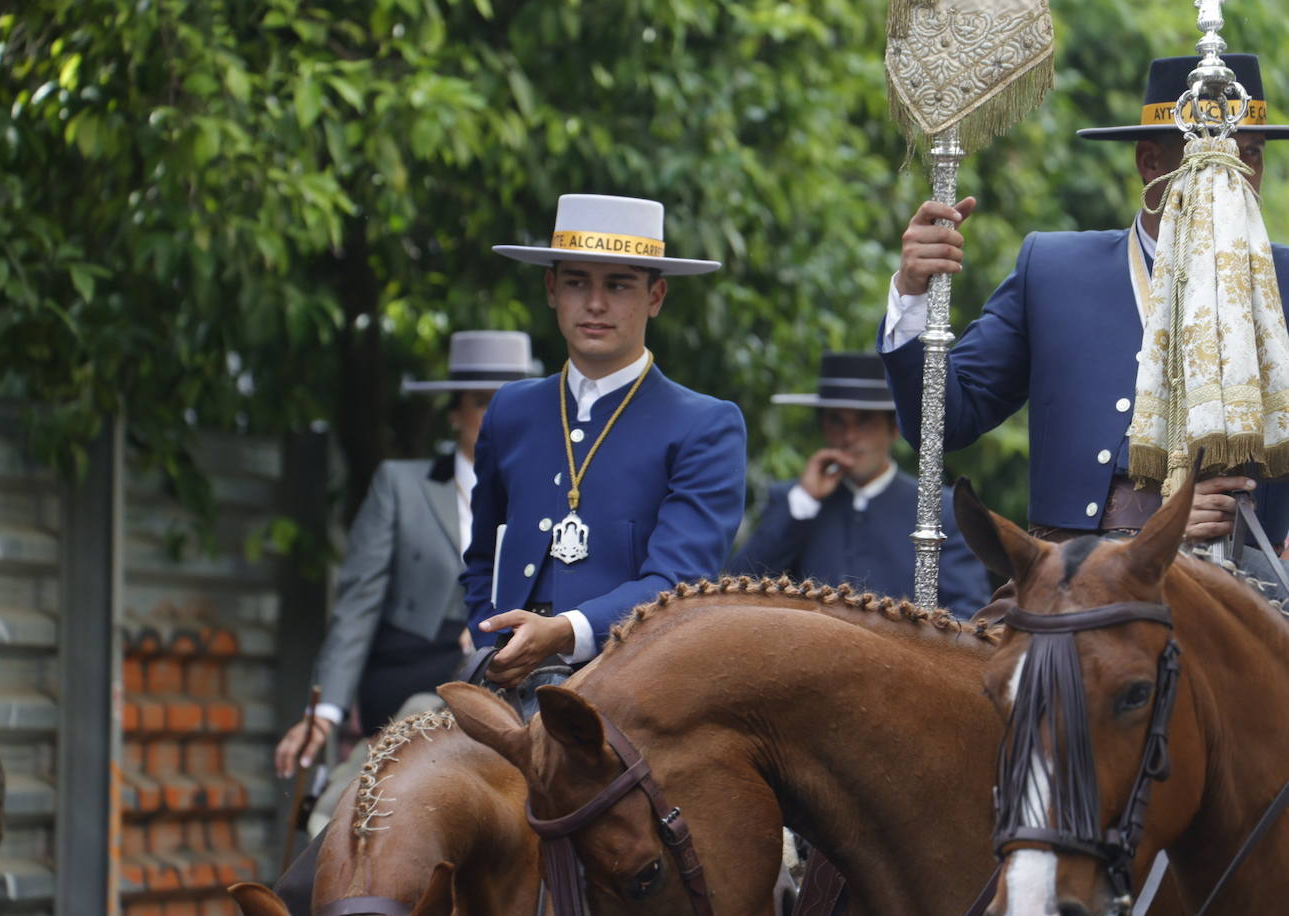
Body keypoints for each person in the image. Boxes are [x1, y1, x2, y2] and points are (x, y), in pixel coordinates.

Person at [878, 53, 1289, 548]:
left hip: (1247, 589)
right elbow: (943, 424)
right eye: (1207, 158)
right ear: (1149, 163)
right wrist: (913, 294)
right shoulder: (1053, 269)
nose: (1233, 177)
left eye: (1250, 154)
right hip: (1076, 581)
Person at [465, 193, 747, 687]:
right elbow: (481, 560)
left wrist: (563, 631)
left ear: (655, 297)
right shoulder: (511, 409)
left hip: (634, 691)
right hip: (502, 685)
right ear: (552, 288)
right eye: (577, 282)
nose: (595, 304)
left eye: (618, 285)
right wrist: (489, 640)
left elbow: (677, 584)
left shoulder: (705, 425)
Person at [274, 330, 535, 778]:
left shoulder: (552, 493)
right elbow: (358, 605)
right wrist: (327, 710)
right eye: (483, 402)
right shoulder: (400, 486)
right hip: (412, 667)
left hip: (513, 665)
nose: (499, 416)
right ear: (454, 413)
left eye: (511, 401)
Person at [729, 351, 992, 617]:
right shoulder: (792, 500)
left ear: (894, 428)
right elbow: (737, 590)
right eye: (836, 421)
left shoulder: (939, 508)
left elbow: (967, 613)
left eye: (865, 421)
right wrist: (803, 504)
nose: (849, 436)